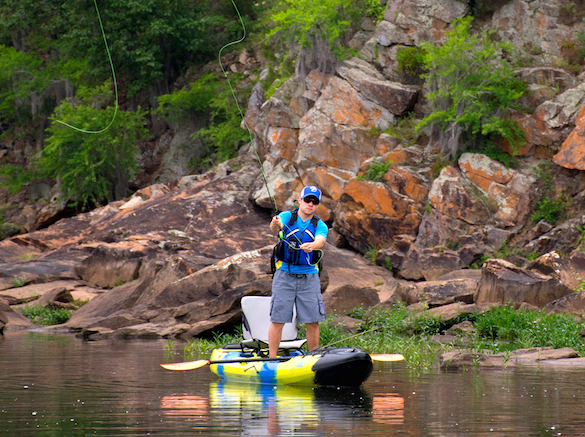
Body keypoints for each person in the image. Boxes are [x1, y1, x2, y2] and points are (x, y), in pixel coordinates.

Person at [268, 185, 328, 358]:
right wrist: (275, 223)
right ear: (300, 200)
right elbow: (275, 228)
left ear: (317, 205)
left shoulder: (320, 224)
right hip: (284, 275)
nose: (310, 204)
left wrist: (313, 246)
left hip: (309, 277)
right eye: (307, 200)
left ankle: (312, 357)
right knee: (277, 319)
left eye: (314, 202)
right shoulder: (287, 216)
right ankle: (272, 358)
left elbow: (321, 240)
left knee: (312, 321)